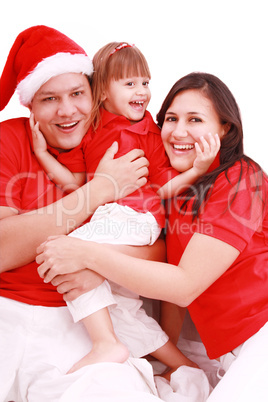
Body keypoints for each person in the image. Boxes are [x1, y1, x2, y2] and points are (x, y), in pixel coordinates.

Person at [37, 72, 268, 401]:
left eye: (195, 119)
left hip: (258, 335)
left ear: (225, 128)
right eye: (171, 118)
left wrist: (86, 254)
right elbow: (167, 287)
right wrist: (170, 359)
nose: (178, 131)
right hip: (215, 351)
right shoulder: (173, 193)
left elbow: (184, 286)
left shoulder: (242, 179)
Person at [31, 41, 220, 375]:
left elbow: (161, 189)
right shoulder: (91, 128)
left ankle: (106, 344)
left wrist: (197, 170)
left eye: (145, 82)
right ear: (103, 92)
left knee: (61, 254)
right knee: (121, 309)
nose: (142, 91)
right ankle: (185, 367)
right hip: (110, 217)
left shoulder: (148, 129)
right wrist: (44, 155)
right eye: (130, 83)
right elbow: (78, 185)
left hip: (135, 218)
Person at [0, 25, 164, 402]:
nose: (67, 110)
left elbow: (158, 249)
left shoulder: (127, 139)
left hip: (81, 321)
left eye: (77, 94)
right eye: (49, 99)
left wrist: (96, 259)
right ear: (30, 105)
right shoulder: (9, 139)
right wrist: (100, 191)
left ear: (97, 94)